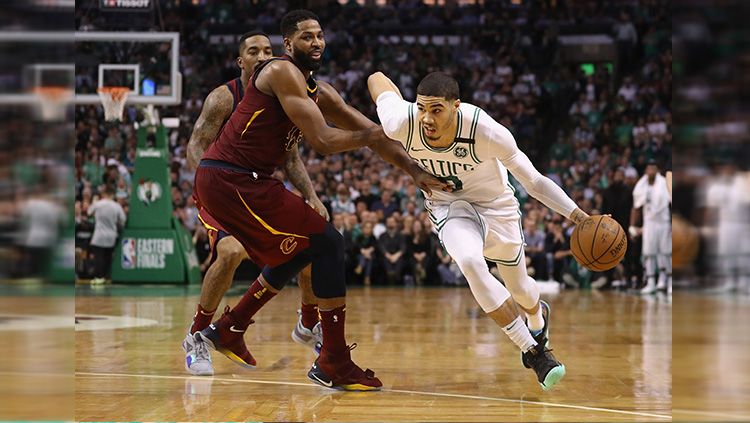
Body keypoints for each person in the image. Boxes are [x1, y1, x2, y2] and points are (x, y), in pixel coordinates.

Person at [193, 10, 448, 391]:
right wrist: (373, 133)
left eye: (320, 36)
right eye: (307, 37)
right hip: (229, 178)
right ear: (289, 44)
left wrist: (416, 172)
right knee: (329, 242)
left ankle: (231, 328)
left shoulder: (321, 91)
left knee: (304, 250)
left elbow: (374, 136)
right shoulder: (280, 72)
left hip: (254, 181)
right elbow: (326, 142)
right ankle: (333, 361)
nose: (316, 42)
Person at [368, 70, 596, 390]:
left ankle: (537, 316)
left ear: (456, 107)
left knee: (521, 291)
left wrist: (578, 216)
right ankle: (534, 352)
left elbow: (533, 182)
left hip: (497, 207)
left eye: (437, 110)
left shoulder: (487, 131)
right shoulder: (402, 122)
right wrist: (405, 101)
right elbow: (377, 78)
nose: (427, 119)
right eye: (422, 108)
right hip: (449, 206)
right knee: (472, 264)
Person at [182, 31, 326, 376]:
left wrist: (311, 195)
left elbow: (290, 157)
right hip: (222, 191)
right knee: (230, 252)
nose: (262, 55)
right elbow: (194, 146)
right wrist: (215, 188)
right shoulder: (223, 98)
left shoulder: (282, 95)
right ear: (240, 61)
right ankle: (196, 336)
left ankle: (308, 322)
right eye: (253, 51)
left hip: (258, 189)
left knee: (311, 238)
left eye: (267, 50)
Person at [630, 160, 671, 294]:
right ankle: (651, 281)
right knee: (648, 252)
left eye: (653, 169)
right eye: (648, 169)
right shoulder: (641, 185)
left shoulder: (665, 182)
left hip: (664, 221)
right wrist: (632, 225)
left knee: (666, 252)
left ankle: (669, 281)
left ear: (657, 170)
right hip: (649, 222)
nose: (651, 171)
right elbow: (636, 207)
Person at [86, 185, 125, 283]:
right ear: (113, 194)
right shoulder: (117, 206)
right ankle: (106, 277)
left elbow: (88, 212)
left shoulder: (98, 204)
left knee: (98, 257)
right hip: (111, 235)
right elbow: (123, 220)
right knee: (108, 257)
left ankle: (99, 277)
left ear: (104, 193)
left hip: (99, 235)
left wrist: (94, 202)